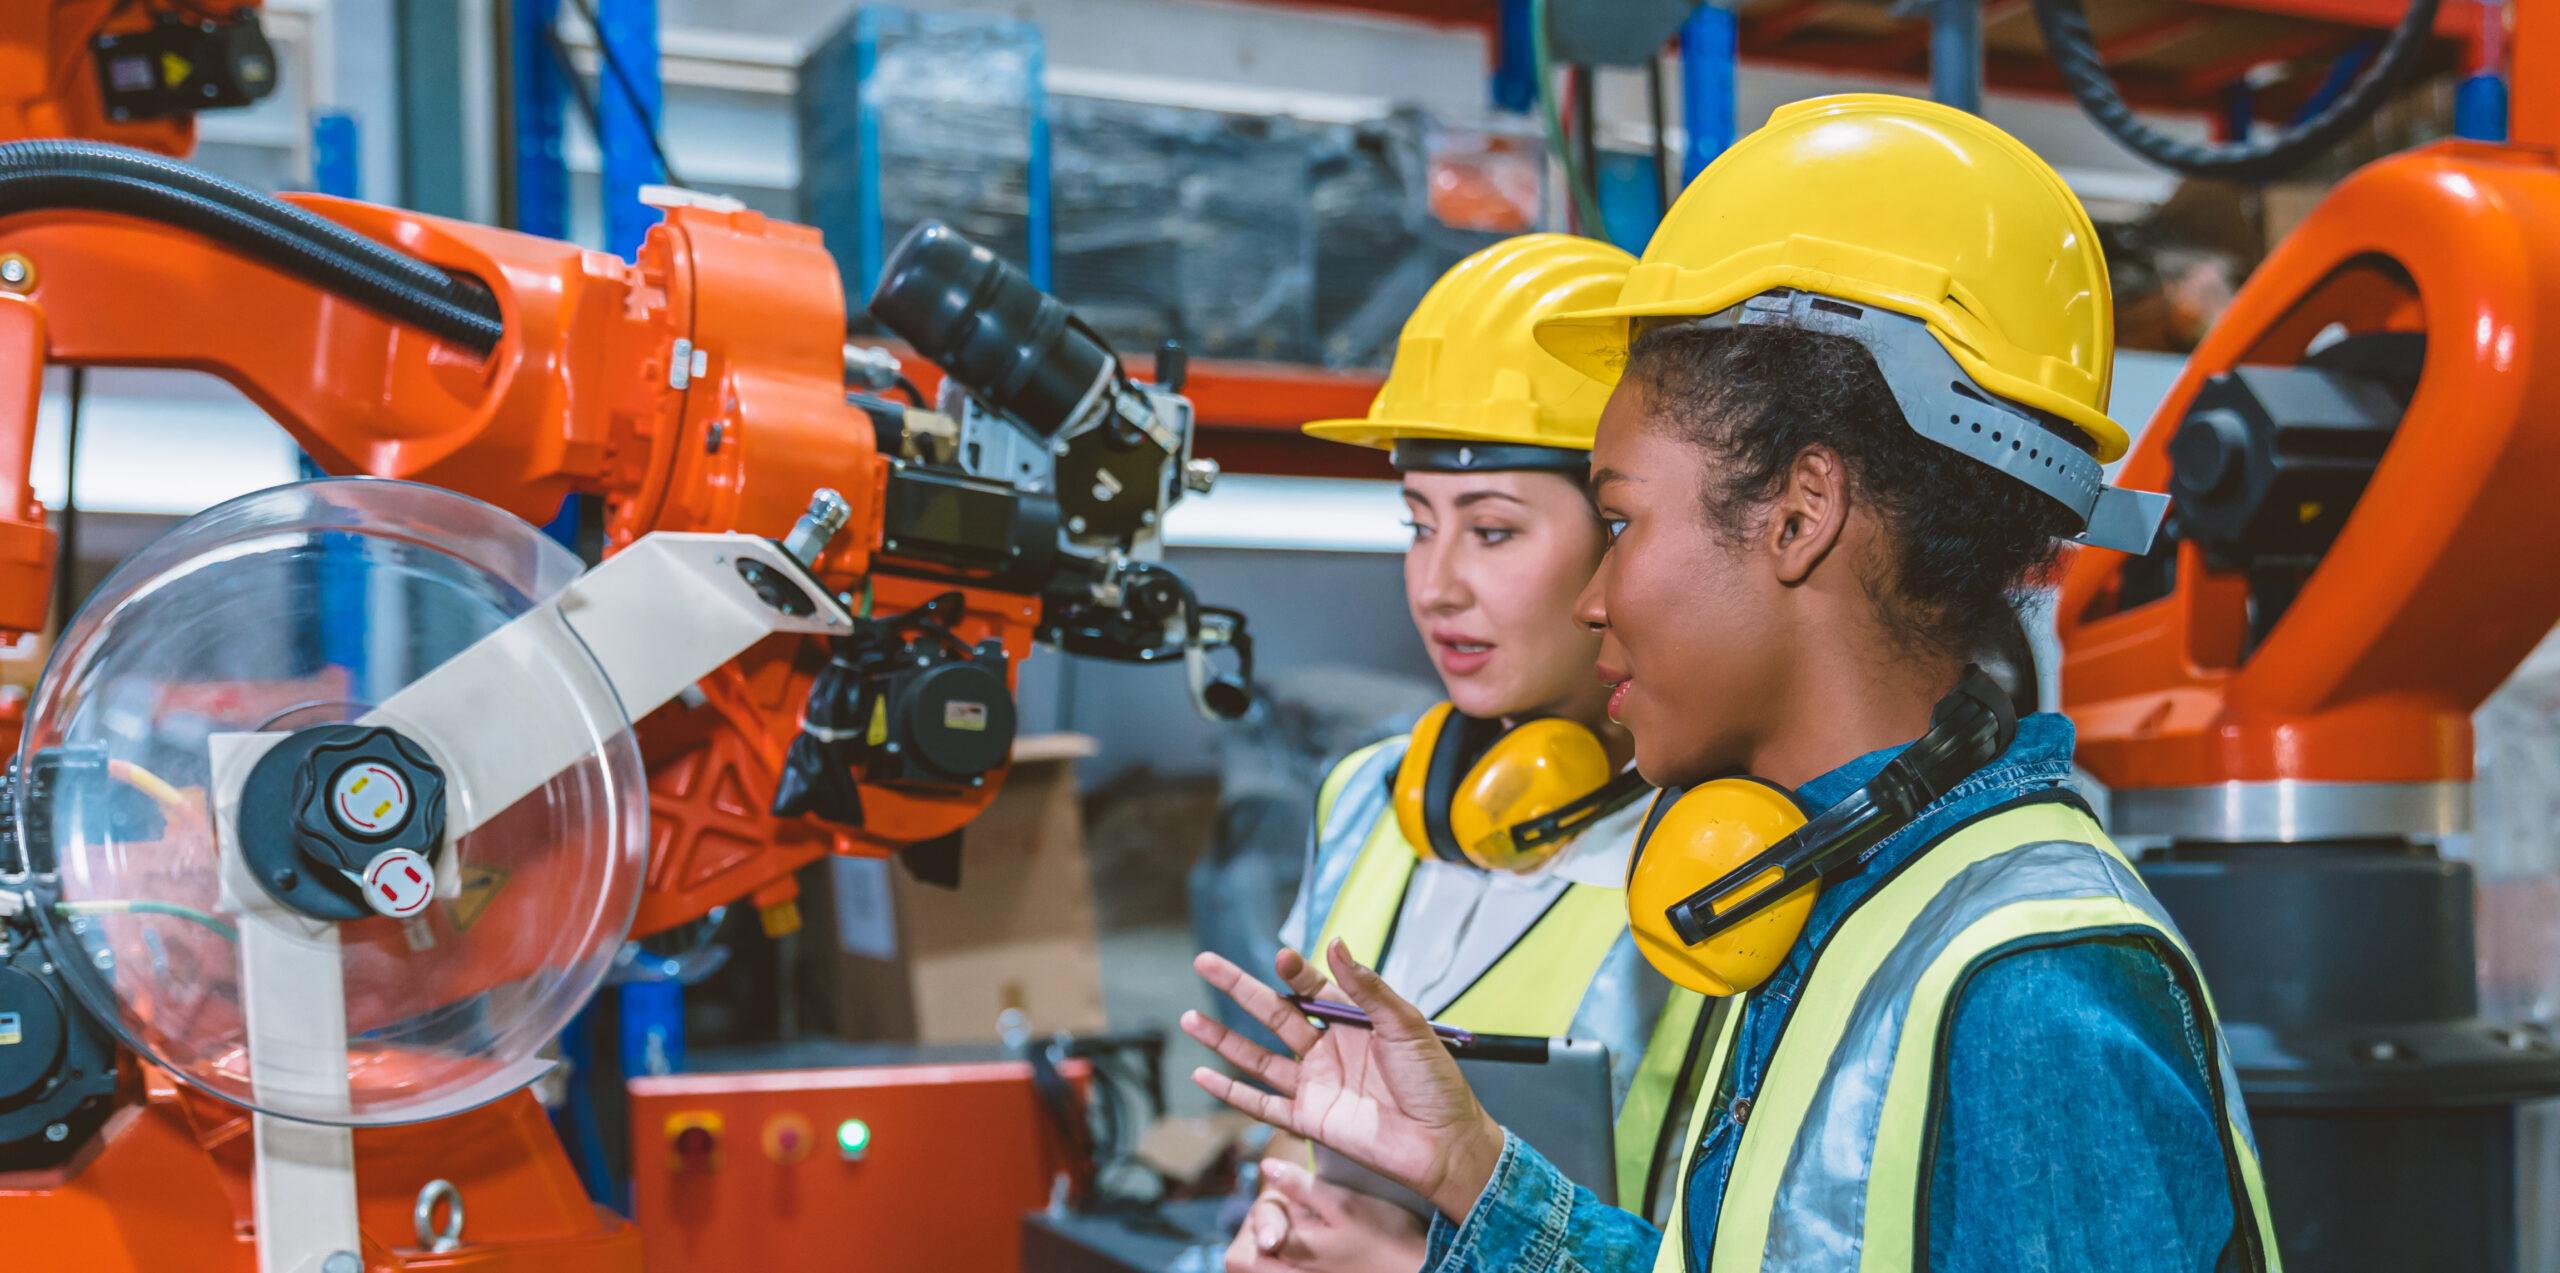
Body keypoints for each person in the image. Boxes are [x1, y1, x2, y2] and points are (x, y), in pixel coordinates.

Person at [1183, 95, 2282, 1273]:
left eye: (1617, 519)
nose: (1594, 598)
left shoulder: (2024, 993)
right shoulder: (1840, 901)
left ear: (1801, 514)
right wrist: (1471, 1175)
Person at [1224, 234, 1709, 1273]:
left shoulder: (1720, 852)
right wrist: (1283, 1226)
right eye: (1416, 524)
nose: (1435, 584)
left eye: (1490, 531)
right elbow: (1303, 1128)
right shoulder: (1370, 795)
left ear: (1625, 541)